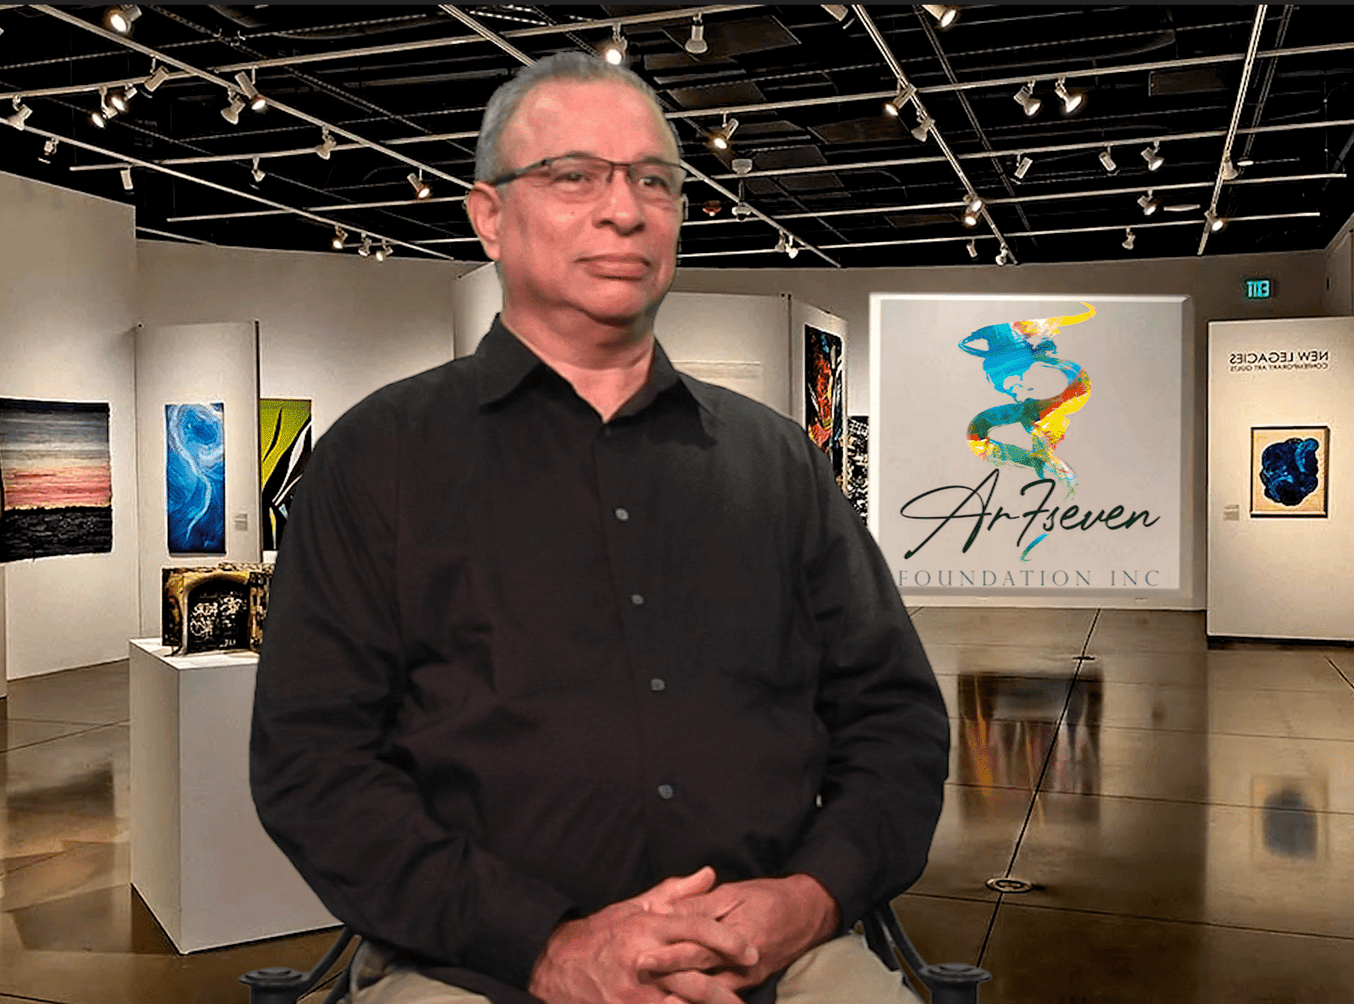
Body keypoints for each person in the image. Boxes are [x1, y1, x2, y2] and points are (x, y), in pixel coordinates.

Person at [250, 51, 949, 1004]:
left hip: (775, 962)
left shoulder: (778, 462)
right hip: (476, 971)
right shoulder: (378, 459)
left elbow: (895, 719)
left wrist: (810, 898)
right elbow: (312, 763)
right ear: (489, 216)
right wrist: (547, 947)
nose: (625, 210)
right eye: (575, 175)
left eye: (654, 180)